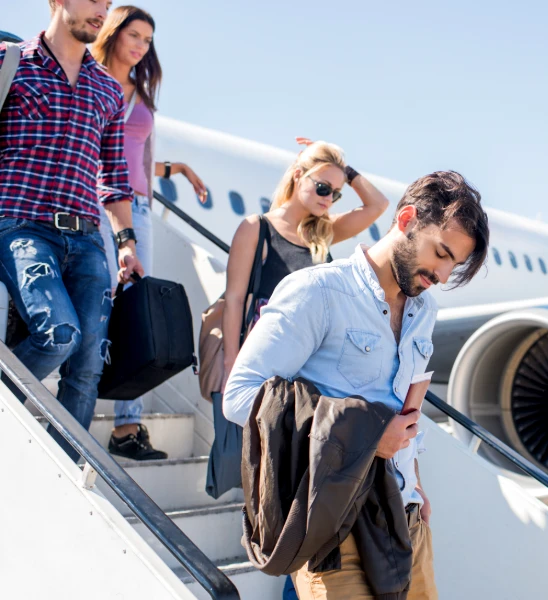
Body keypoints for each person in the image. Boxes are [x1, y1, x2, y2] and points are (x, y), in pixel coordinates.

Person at [224, 171, 490, 600]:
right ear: (406, 220)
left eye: (453, 265)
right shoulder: (318, 291)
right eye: (440, 253)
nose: (441, 274)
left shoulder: (424, 312)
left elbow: (404, 407)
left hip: (406, 520)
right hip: (334, 524)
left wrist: (416, 483)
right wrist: (364, 434)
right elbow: (240, 397)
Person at [205, 139, 389, 500]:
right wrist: (232, 363)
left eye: (335, 194)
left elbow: (378, 205)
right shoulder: (255, 228)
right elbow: (236, 299)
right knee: (261, 461)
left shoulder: (322, 233)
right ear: (296, 176)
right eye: (322, 187)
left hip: (310, 367)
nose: (328, 198)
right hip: (266, 361)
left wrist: (344, 171)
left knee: (297, 466)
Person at [0, 0, 143, 461]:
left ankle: (67, 464)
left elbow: (115, 178)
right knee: (60, 335)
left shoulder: (106, 89)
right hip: (21, 226)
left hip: (86, 240)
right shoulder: (11, 64)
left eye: (107, 2)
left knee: (85, 369)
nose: (101, 10)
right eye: (92, 0)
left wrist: (125, 243)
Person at [90, 5, 208, 461]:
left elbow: (134, 158)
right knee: (98, 300)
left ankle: (128, 426)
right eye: (133, 35)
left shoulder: (141, 94)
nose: (140, 46)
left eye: (147, 40)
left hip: (136, 206)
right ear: (114, 34)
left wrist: (175, 169)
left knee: (136, 307)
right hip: (95, 202)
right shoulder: (90, 80)